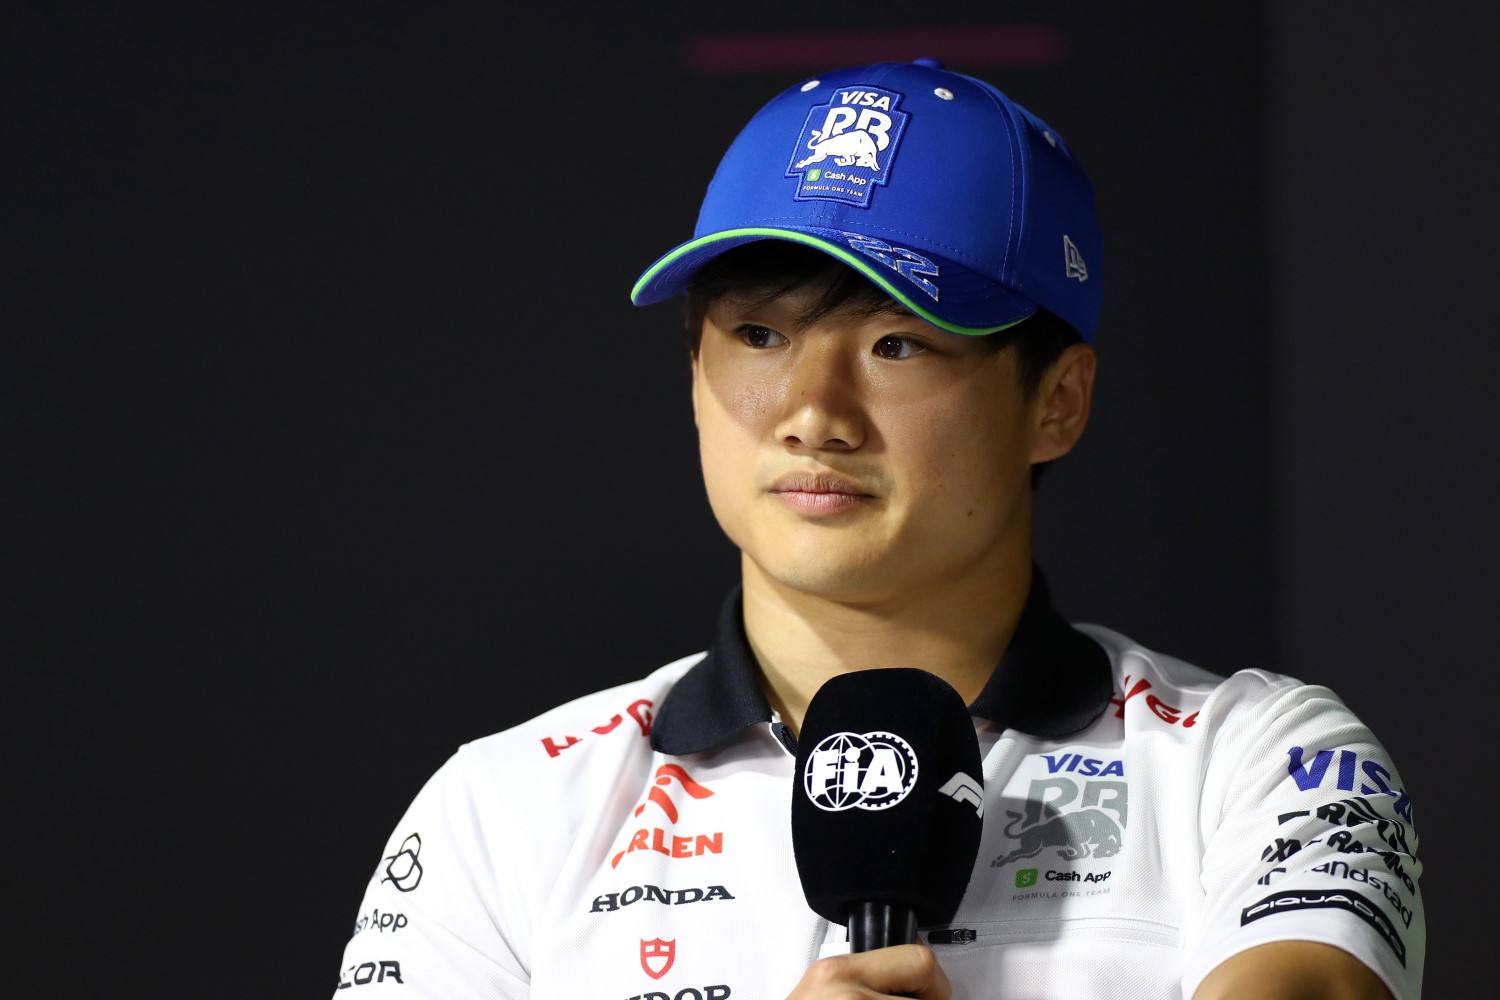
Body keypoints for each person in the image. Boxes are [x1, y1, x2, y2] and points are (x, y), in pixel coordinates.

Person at [331, 59, 1423, 999]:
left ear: (1059, 400)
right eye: (758, 334)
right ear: (695, 379)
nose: (814, 413)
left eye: (897, 344)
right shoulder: (507, 803)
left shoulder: (1257, 760)